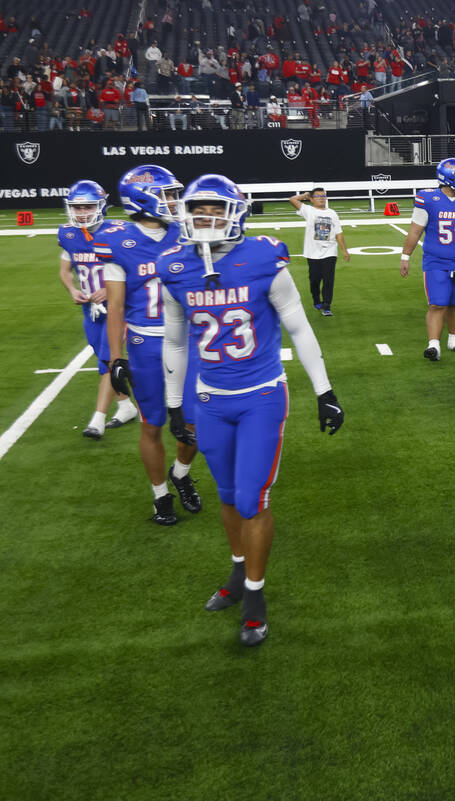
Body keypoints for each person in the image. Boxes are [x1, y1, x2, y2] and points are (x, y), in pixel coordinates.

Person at [158, 173, 344, 646]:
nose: (206, 218)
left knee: (251, 500)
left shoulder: (263, 258)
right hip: (209, 399)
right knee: (226, 496)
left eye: (215, 210)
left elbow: (298, 327)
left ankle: (256, 598)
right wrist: (175, 404)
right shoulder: (174, 266)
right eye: (198, 210)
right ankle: (239, 573)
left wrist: (324, 391)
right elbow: (175, 341)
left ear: (235, 214)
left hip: (260, 395)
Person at [97, 165, 201, 524]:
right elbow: (115, 306)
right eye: (166, 194)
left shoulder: (185, 232)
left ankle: (181, 474)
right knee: (152, 424)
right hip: (146, 344)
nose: (173, 201)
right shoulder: (117, 240)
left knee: (194, 422)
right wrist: (115, 359)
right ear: (143, 198)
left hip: (188, 339)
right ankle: (160, 496)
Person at [57, 180, 140, 438]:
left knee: (109, 359)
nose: (82, 212)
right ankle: (125, 406)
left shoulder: (120, 231)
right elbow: (65, 270)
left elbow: (138, 269)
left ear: (101, 206)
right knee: (102, 358)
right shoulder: (68, 234)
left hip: (119, 307)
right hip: (90, 310)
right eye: (77, 207)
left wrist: (111, 288)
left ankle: (98, 419)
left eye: (88, 206)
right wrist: (73, 290)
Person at [397, 158, 455, 361]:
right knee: (437, 304)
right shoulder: (428, 198)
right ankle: (433, 345)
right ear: (448, 178)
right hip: (436, 261)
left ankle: (454, 340)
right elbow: (415, 230)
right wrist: (405, 256)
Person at [289, 188, 350, 316]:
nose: (321, 198)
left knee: (328, 280)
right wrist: (304, 195)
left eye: (323, 195)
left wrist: (344, 250)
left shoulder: (332, 213)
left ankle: (327, 305)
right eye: (317, 196)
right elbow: (292, 200)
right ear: (311, 199)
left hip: (330, 251)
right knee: (314, 280)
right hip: (312, 252)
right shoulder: (308, 210)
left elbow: (339, 233)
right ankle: (316, 300)